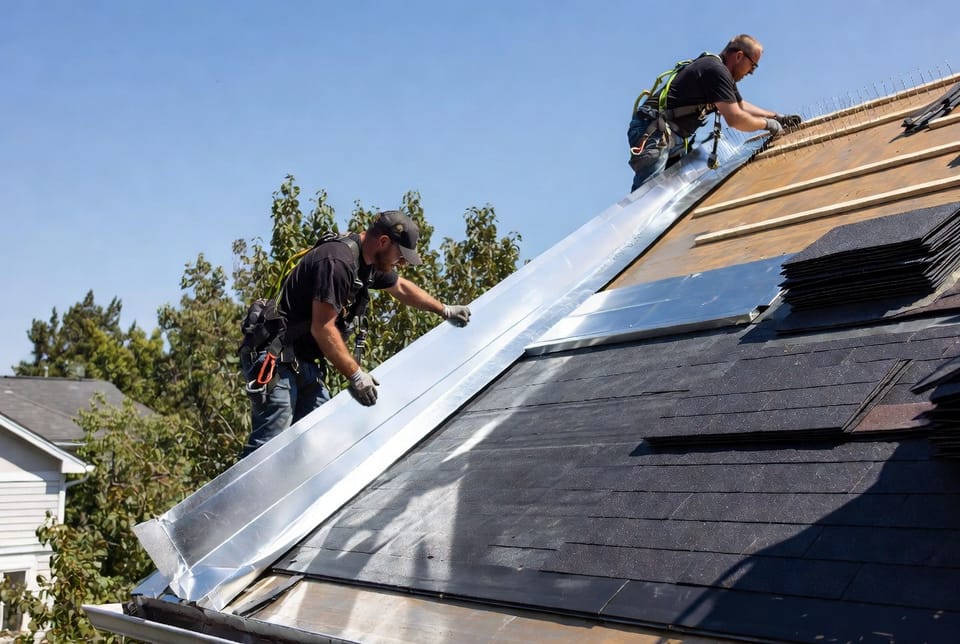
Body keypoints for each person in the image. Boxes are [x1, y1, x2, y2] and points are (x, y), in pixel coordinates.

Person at [239, 210, 471, 457]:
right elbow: (323, 327)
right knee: (268, 449)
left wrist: (444, 310)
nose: (401, 263)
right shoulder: (337, 261)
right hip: (276, 359)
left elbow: (400, 287)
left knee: (318, 440)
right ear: (383, 241)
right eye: (400, 256)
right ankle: (237, 496)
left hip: (303, 363)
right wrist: (356, 375)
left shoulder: (368, 263)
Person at [627, 34, 802, 192]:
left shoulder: (719, 71)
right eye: (752, 65)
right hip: (655, 133)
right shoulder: (716, 70)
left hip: (670, 137)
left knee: (668, 197)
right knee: (645, 200)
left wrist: (775, 116)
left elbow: (740, 105)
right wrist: (769, 125)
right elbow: (735, 118)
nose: (752, 72)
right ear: (739, 56)